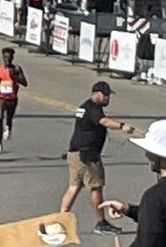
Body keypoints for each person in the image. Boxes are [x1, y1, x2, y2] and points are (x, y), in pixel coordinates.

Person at [58, 81, 137, 236]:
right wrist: (122, 126)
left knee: (74, 186)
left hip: (75, 153)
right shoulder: (92, 108)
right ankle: (101, 222)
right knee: (96, 187)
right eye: (105, 95)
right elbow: (104, 121)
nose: (108, 98)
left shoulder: (84, 107)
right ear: (96, 93)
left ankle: (61, 219)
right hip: (88, 155)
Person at [0, 47, 27, 154]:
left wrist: (15, 76)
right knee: (0, 118)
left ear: (12, 58)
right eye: (6, 57)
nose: (8, 60)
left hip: (12, 98)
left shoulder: (17, 69)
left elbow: (25, 83)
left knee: (9, 118)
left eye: (10, 58)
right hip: (1, 98)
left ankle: (8, 127)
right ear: (3, 58)